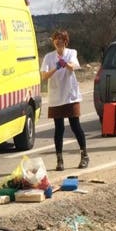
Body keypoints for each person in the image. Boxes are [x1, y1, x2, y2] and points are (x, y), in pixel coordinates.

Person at [39, 29, 88, 171]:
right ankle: (59, 160)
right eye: (55, 39)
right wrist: (56, 67)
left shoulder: (72, 53)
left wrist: (65, 64)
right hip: (56, 96)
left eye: (60, 39)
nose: (58, 41)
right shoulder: (49, 57)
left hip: (70, 95)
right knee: (59, 128)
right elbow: (44, 76)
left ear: (65, 41)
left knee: (75, 126)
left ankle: (84, 155)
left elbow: (73, 67)